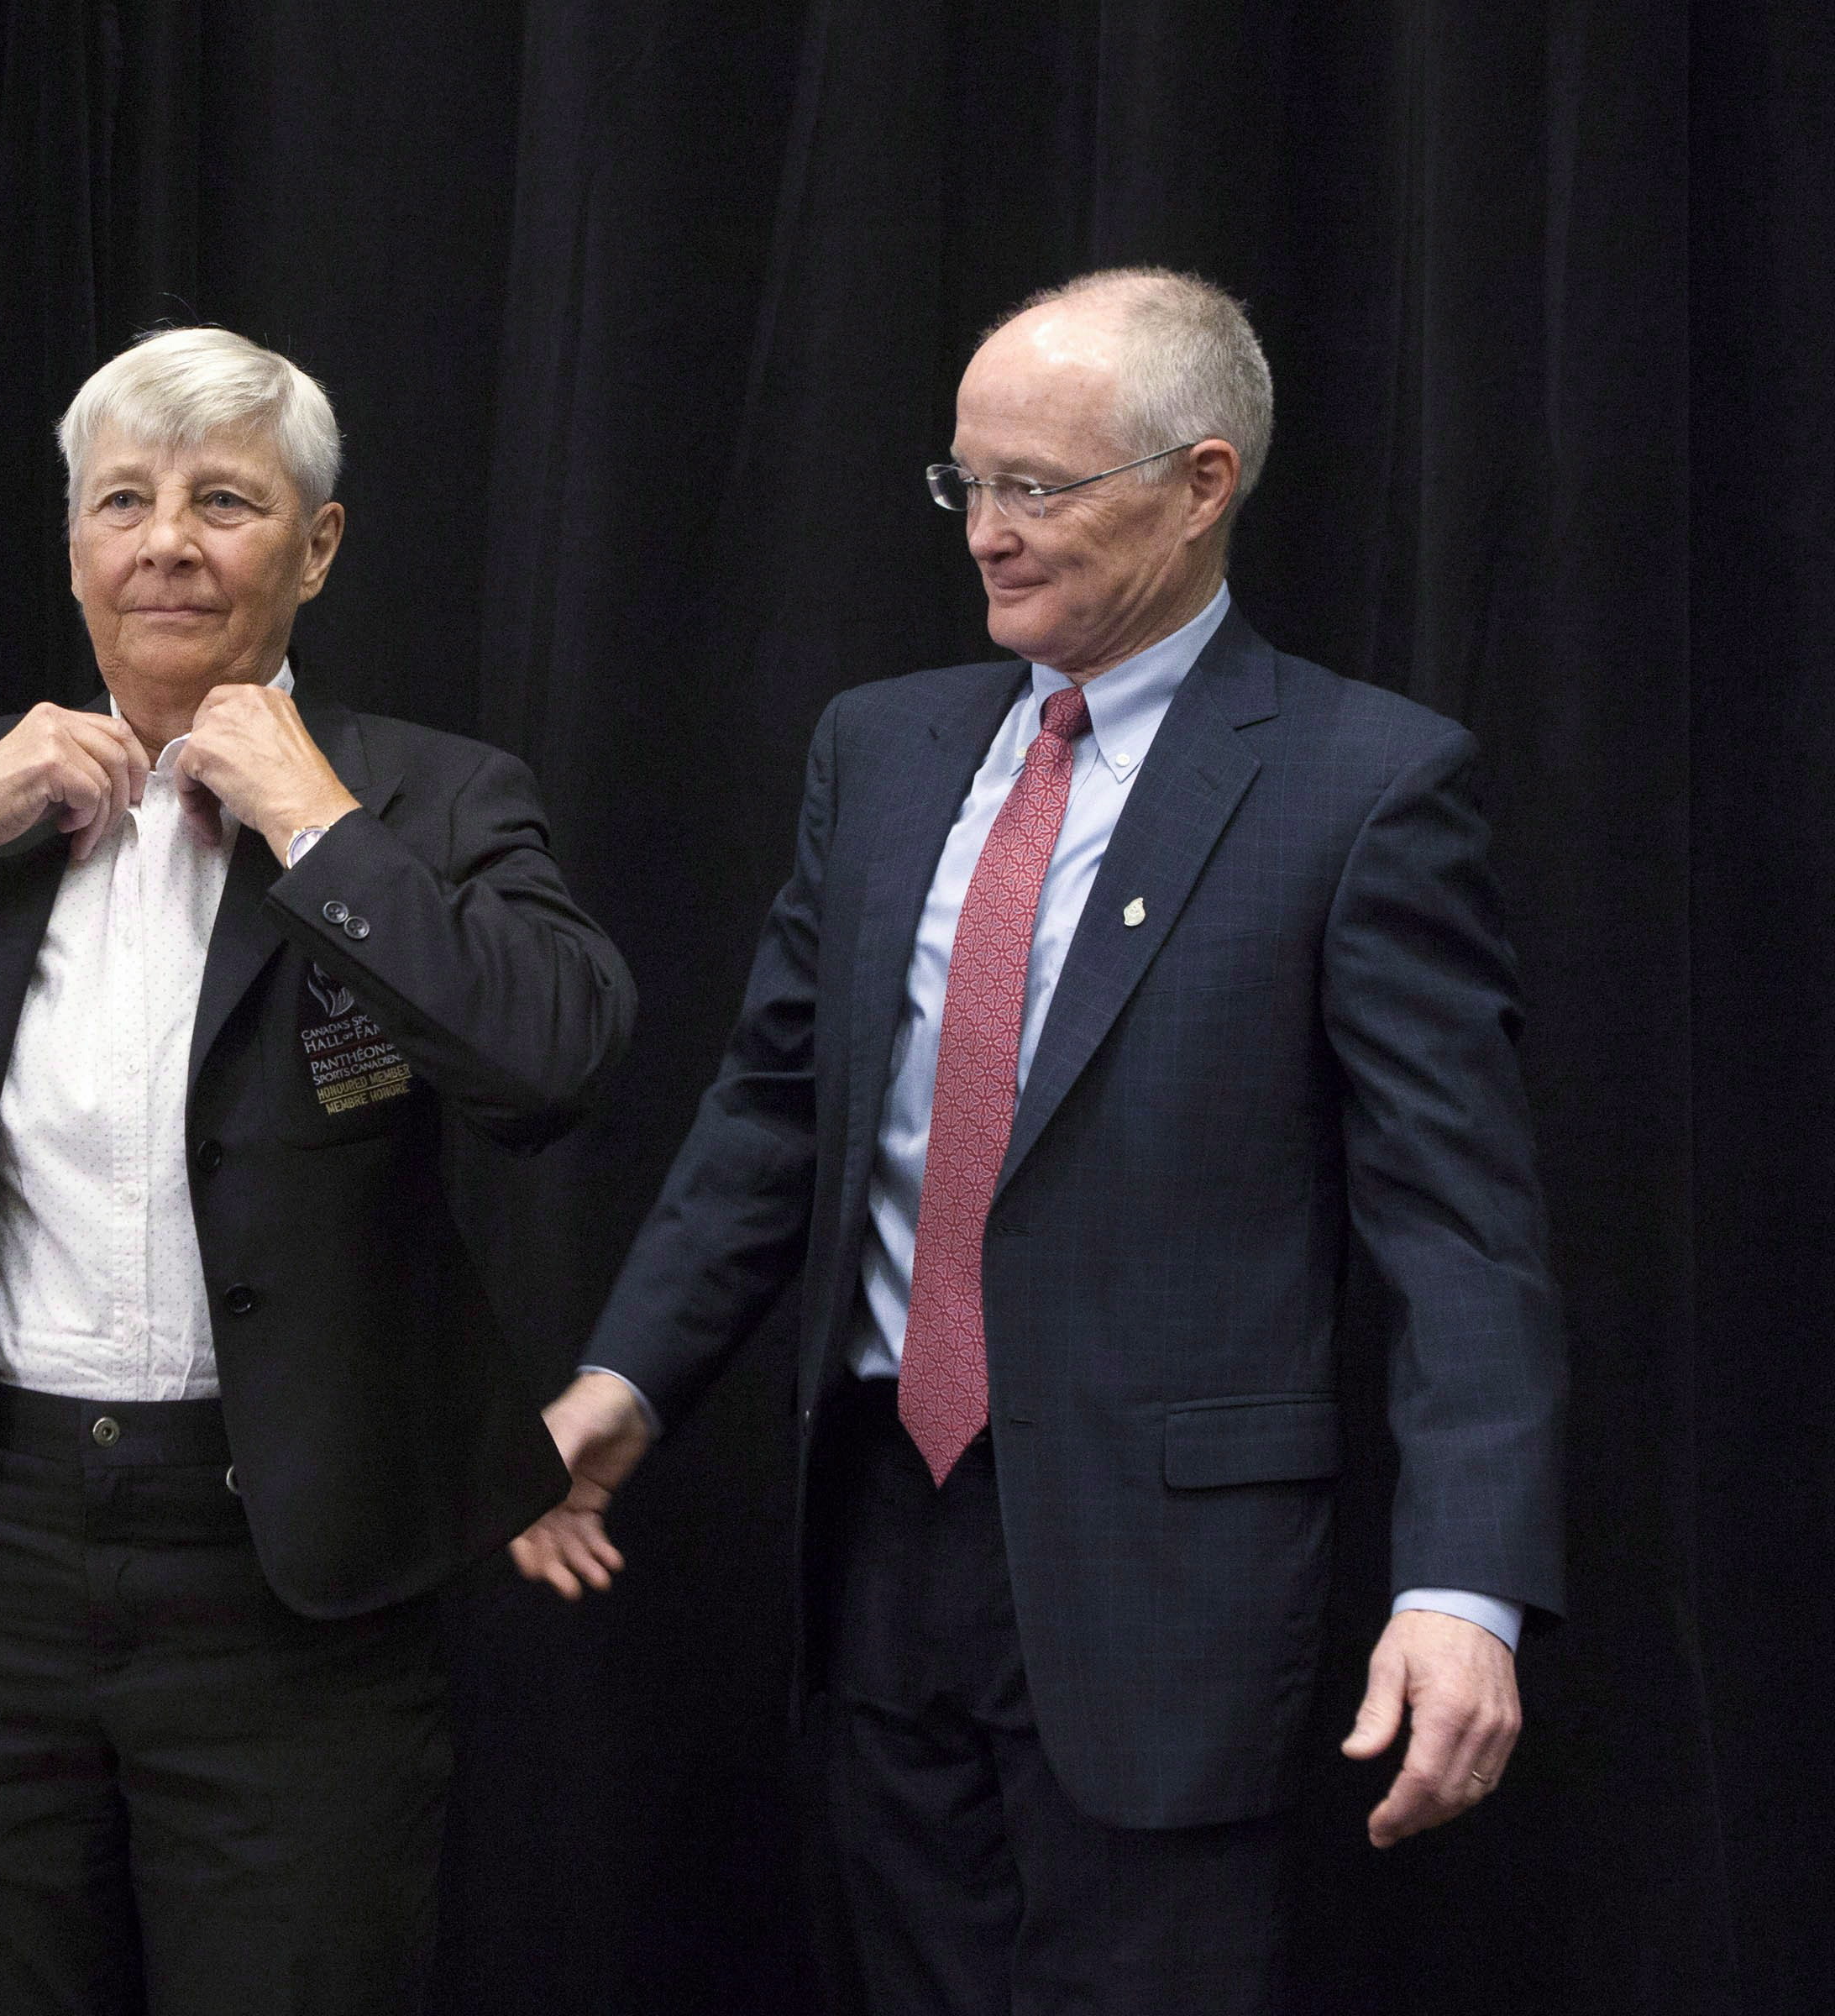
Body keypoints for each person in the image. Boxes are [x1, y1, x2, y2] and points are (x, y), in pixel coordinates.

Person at [513, 269, 1565, 2012]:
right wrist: (623, 1387)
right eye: (967, 484)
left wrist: (1468, 1584)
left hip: (1162, 1589)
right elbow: (778, 1112)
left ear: (1203, 482)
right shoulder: (885, 747)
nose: (989, 535)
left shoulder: (1364, 786)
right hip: (879, 1539)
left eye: (1038, 488)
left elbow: (1459, 1232)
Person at [0, 325, 632, 2014]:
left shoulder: (433, 799)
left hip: (292, 1573)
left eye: (224, 500)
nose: (167, 540)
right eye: (123, 502)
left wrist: (322, 830)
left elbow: (555, 1066)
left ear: (314, 548)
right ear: (76, 546)